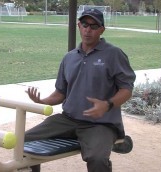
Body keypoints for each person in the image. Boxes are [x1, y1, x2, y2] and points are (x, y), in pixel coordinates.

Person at [25, 8, 136, 172]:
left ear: (102, 30)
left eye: (94, 26)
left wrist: (107, 104)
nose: (88, 30)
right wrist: (42, 101)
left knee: (97, 159)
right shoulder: (69, 57)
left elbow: (126, 89)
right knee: (23, 140)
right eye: (85, 24)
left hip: (101, 124)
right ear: (79, 26)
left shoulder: (114, 54)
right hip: (68, 120)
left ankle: (112, 141)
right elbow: (60, 93)